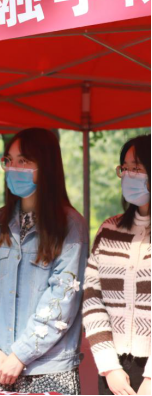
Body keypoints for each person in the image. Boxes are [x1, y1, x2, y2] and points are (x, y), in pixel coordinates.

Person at [0, 128, 88, 395]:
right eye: (10, 161)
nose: (14, 168)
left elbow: (62, 298)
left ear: (46, 166)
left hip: (50, 369)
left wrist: (20, 355)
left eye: (24, 161)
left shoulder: (70, 225)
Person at [84, 134, 151, 396]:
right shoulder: (109, 230)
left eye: (137, 168)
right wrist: (109, 366)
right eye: (124, 168)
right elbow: (92, 298)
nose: (128, 175)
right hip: (115, 371)